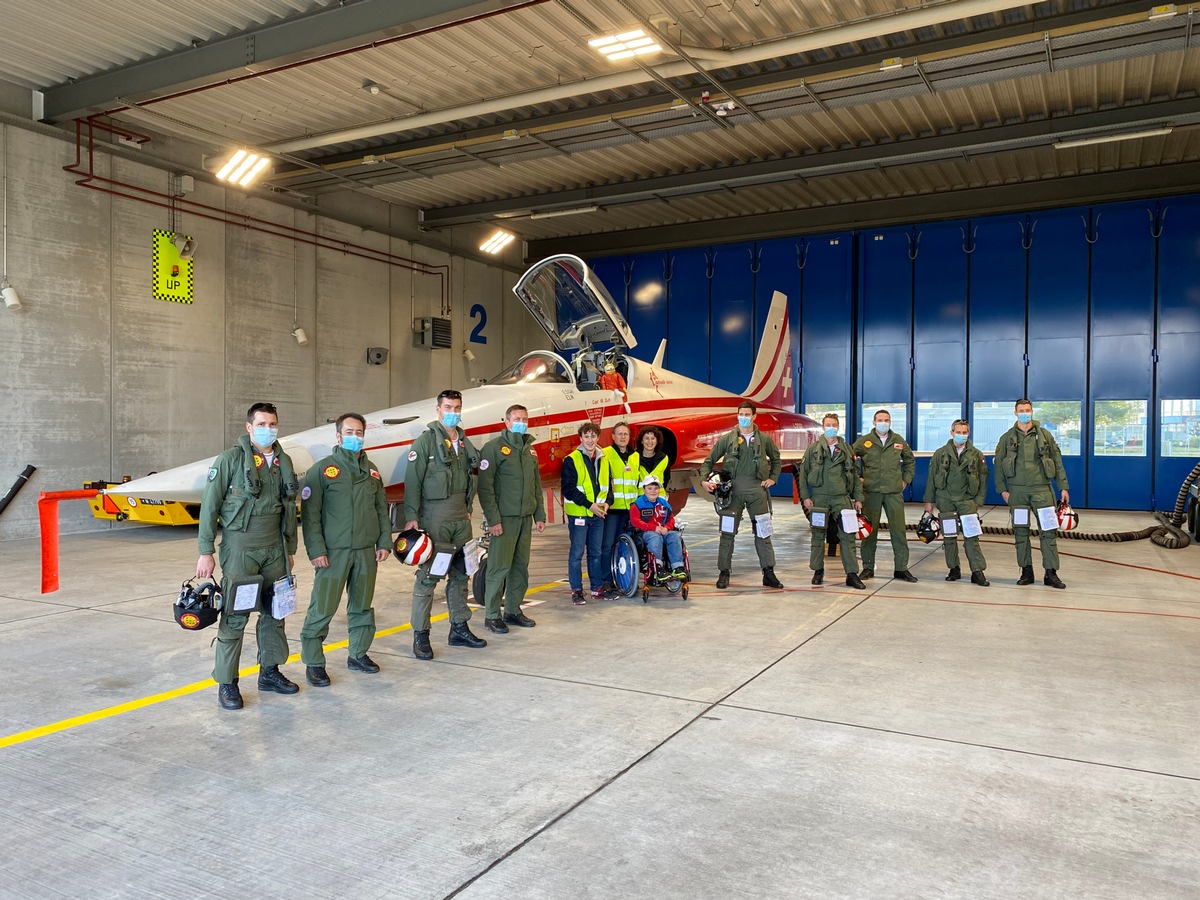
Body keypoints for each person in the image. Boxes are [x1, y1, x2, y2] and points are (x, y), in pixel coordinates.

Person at [196, 402, 301, 710]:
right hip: (241, 548)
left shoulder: (284, 461)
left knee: (275, 613)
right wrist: (206, 552)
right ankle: (227, 683)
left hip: (275, 550)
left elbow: (289, 509)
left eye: (273, 424)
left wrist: (290, 550)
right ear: (249, 427)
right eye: (263, 424)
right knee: (236, 615)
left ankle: (270, 671)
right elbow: (209, 508)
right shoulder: (229, 461)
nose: (269, 429)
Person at [298, 413, 393, 686]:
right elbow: (311, 514)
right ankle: (314, 663)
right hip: (333, 553)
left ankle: (358, 654)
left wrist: (384, 542)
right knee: (323, 609)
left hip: (366, 551)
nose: (355, 437)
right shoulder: (323, 470)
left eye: (359, 432)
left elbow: (380, 509)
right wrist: (316, 550)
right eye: (349, 432)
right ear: (338, 436)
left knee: (362, 607)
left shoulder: (371, 470)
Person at [403, 389, 488, 658]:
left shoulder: (464, 443)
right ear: (438, 409)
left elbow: (470, 479)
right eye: (448, 407)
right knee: (429, 577)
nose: (453, 412)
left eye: (457, 407)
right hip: (435, 518)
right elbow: (413, 483)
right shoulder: (425, 443)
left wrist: (468, 510)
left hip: (460, 518)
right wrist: (412, 517)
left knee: (462, 574)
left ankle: (459, 628)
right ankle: (421, 635)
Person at [700, 400, 784, 590]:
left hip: (757, 490)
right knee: (727, 533)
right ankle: (724, 572)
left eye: (747, 414)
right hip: (733, 491)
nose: (744, 418)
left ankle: (768, 572)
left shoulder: (764, 440)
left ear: (754, 417)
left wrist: (773, 478)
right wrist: (704, 479)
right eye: (741, 414)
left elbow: (777, 459)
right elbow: (709, 460)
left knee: (763, 532)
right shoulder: (727, 439)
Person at [477, 404, 545, 633]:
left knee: (520, 567)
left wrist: (540, 515)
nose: (521, 422)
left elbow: (537, 485)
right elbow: (485, 488)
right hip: (503, 520)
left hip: (525, 518)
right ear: (506, 422)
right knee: (499, 567)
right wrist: (493, 519)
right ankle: (492, 615)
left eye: (524, 419)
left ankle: (513, 610)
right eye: (517, 418)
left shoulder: (530, 450)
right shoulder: (493, 449)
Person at [993, 399, 1069, 589]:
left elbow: (1057, 462)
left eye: (1027, 410)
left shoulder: (1045, 436)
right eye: (1021, 410)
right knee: (1020, 533)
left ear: (1032, 412)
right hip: (1017, 493)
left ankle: (1051, 573)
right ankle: (1026, 571)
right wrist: (1002, 490)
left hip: (1042, 491)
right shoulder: (1006, 438)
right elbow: (999, 468)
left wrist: (1063, 487)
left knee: (1049, 533)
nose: (1025, 413)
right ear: (1015, 413)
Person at [799, 413, 866, 589]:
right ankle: (818, 571)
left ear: (838, 426)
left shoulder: (847, 449)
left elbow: (855, 475)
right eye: (828, 424)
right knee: (818, 535)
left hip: (842, 499)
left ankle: (851, 574)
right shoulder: (813, 449)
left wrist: (858, 498)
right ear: (823, 427)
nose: (831, 427)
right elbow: (803, 475)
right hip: (820, 498)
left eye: (834, 424)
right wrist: (805, 496)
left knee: (848, 537)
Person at [852, 409, 917, 582]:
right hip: (871, 493)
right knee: (868, 531)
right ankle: (867, 567)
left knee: (898, 531)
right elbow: (850, 459)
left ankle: (901, 568)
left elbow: (910, 460)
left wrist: (905, 481)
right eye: (880, 420)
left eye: (886, 420)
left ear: (890, 422)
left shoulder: (898, 441)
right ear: (874, 422)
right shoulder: (864, 442)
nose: (883, 423)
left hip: (893, 493)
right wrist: (858, 478)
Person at [923, 419, 990, 586]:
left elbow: (983, 479)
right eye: (958, 432)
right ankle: (954, 569)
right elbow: (931, 479)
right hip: (946, 501)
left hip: (967, 501)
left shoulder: (976, 455)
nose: (962, 435)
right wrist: (929, 501)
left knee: (972, 537)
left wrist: (978, 501)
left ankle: (977, 571)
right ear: (952, 433)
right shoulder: (940, 454)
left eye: (965, 432)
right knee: (950, 537)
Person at [560, 421, 612, 604]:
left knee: (595, 553)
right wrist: (590, 505)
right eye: (586, 436)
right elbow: (568, 489)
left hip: (598, 515)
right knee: (576, 554)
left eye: (593, 436)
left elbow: (608, 488)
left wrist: (607, 503)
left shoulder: (604, 458)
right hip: (580, 514)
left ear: (598, 437)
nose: (590, 440)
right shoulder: (571, 459)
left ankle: (597, 588)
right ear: (581, 438)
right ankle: (576, 590)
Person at [600, 422, 638, 584]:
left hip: (630, 510)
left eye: (625, 434)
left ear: (629, 437)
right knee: (608, 545)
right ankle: (607, 580)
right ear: (613, 436)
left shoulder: (635, 456)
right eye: (619, 434)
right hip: (612, 510)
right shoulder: (605, 453)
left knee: (628, 546)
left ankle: (624, 579)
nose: (622, 437)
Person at [628, 474, 686, 577]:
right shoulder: (637, 504)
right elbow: (635, 521)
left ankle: (678, 567)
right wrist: (653, 528)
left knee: (674, 536)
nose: (653, 491)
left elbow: (671, 519)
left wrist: (667, 528)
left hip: (662, 531)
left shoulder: (664, 503)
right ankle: (657, 567)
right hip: (644, 533)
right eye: (649, 488)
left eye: (656, 488)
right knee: (655, 537)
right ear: (644, 489)